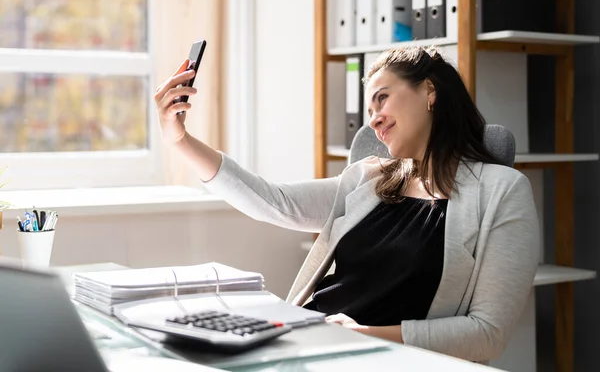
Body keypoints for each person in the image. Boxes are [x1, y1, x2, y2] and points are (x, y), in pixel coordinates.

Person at [153, 46, 540, 363]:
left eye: (382, 99)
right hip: (308, 345)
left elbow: (486, 334)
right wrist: (179, 140)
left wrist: (362, 335)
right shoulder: (369, 178)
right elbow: (275, 201)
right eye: (369, 110)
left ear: (429, 92)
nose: (373, 120)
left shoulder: (501, 191)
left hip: (369, 357)